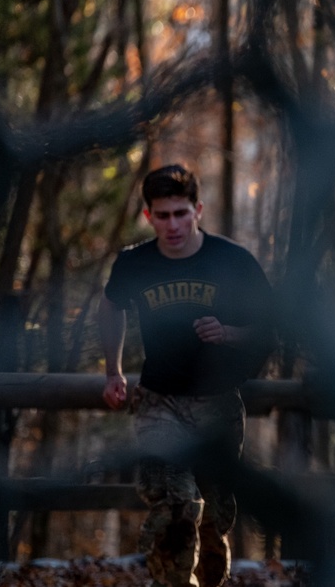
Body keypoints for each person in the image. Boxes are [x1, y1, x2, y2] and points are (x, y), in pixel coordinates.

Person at [98, 164, 274, 587]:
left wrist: (229, 333)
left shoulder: (232, 262)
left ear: (198, 210)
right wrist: (113, 371)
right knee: (175, 507)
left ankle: (210, 577)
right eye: (162, 215)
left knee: (214, 516)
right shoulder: (134, 264)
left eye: (180, 213)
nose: (172, 224)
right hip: (159, 399)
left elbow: (272, 328)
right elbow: (111, 307)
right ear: (148, 217)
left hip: (217, 404)